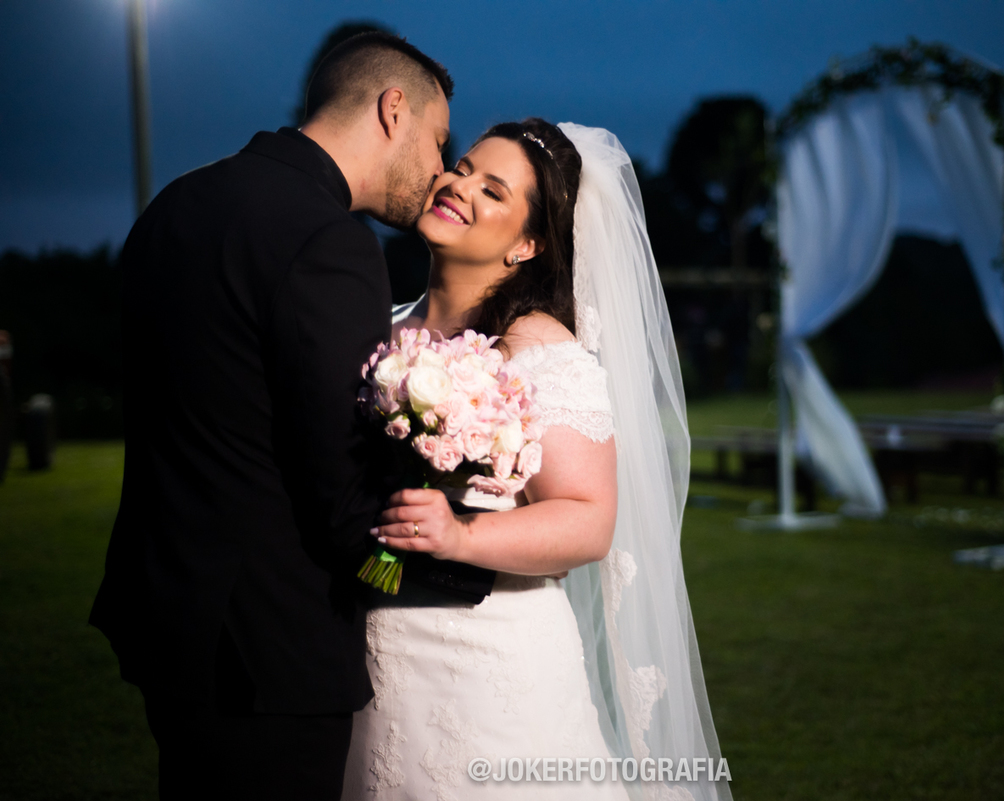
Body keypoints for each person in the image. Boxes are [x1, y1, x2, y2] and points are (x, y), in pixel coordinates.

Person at [88, 32, 452, 800]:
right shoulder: (328, 241)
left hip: (165, 620)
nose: (439, 171)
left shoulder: (177, 203)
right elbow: (341, 496)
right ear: (394, 110)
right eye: (438, 139)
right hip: (268, 650)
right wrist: (425, 569)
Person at [342, 120, 732, 800]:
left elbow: (587, 520)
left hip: (487, 669)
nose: (458, 186)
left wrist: (461, 534)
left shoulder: (541, 352)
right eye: (461, 168)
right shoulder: (382, 328)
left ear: (528, 243)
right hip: (368, 663)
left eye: (491, 190)